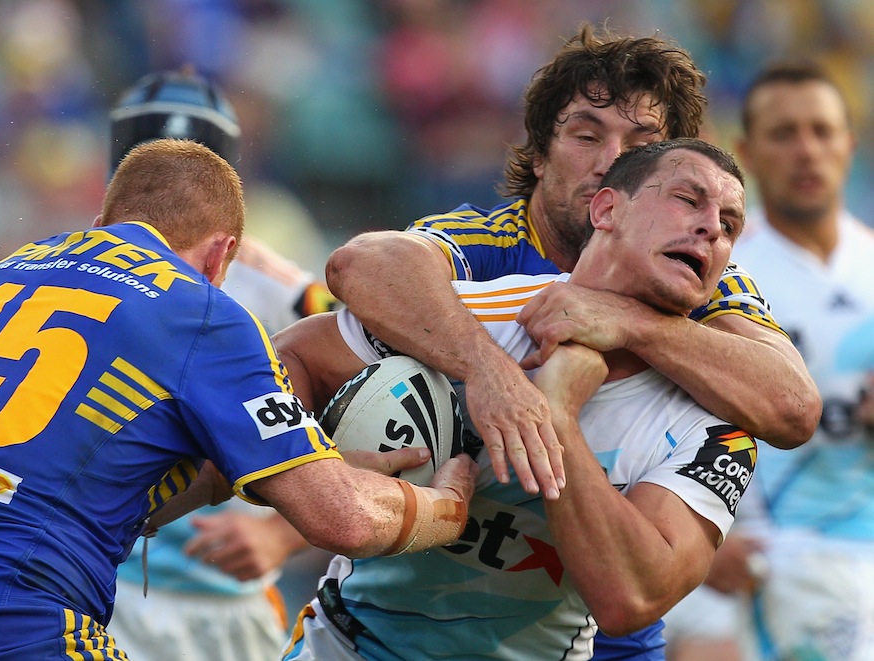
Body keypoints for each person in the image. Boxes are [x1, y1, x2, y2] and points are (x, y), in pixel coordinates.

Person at [324, 23, 821, 659]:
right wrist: (490, 373)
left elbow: (791, 407)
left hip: (602, 633)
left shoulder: (700, 277)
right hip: (390, 623)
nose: (611, 158)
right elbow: (362, 266)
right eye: (588, 135)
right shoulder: (489, 247)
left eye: (642, 143)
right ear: (539, 153)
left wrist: (634, 323)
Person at [0, 138, 478, 661]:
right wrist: (447, 509)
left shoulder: (2, 276)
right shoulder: (203, 311)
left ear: (104, 221)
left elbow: (87, 476)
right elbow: (343, 520)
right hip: (16, 616)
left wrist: (254, 467)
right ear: (222, 255)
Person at [274, 138, 756, 660]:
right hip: (349, 647)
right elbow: (286, 362)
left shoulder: (716, 424)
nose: (711, 226)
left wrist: (556, 416)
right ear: (608, 208)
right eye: (688, 199)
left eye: (729, 225)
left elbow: (631, 599)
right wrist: (312, 467)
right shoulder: (463, 318)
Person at [104, 69, 333, 661]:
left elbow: (373, 419)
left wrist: (281, 535)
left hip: (231, 605)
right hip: (105, 586)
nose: (168, 194)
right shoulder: (68, 273)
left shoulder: (293, 296)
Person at [664, 60, 874, 661]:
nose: (806, 151)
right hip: (737, 558)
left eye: (821, 131)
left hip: (857, 554)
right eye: (784, 134)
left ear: (849, 145)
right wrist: (701, 543)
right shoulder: (711, 276)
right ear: (747, 153)